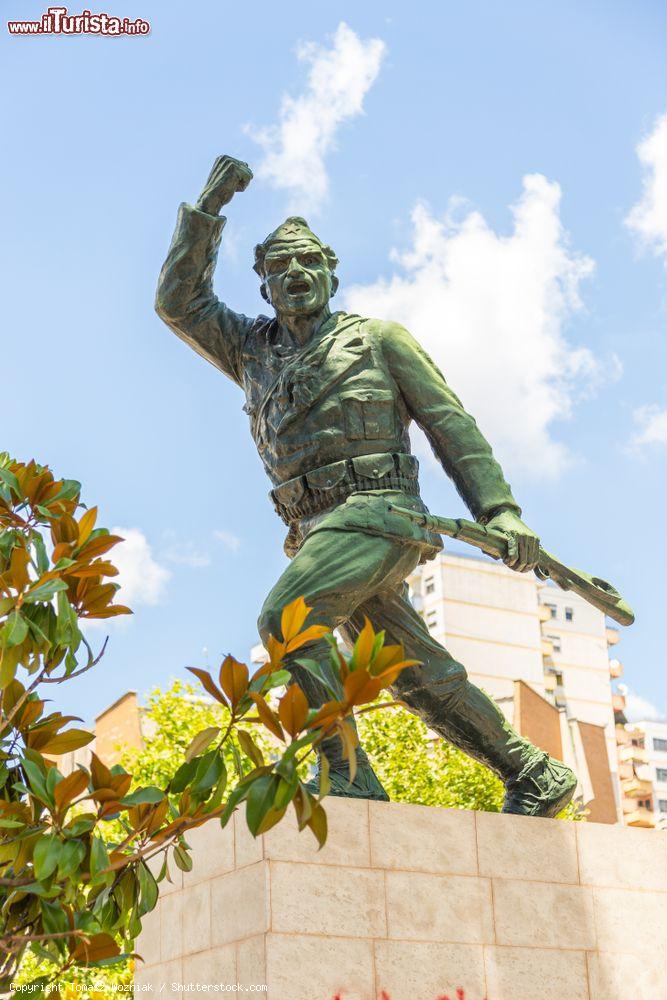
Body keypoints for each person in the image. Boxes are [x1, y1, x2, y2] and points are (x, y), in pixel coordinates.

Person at [155, 155, 576, 816]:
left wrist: (501, 510)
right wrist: (208, 211)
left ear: (330, 273)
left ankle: (349, 780)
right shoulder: (250, 351)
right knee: (409, 669)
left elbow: (449, 425)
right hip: (314, 531)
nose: (295, 275)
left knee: (285, 623)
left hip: (379, 514)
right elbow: (179, 303)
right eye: (279, 269)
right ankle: (530, 771)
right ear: (263, 288)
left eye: (308, 263)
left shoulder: (378, 340)